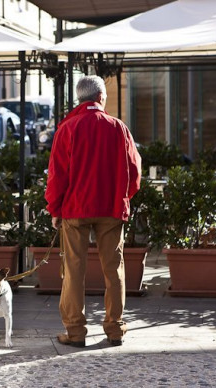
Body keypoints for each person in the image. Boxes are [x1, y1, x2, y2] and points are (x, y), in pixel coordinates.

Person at [45, 75, 142, 348]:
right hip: (111, 209)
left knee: (74, 270)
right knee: (114, 270)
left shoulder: (67, 128)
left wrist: (55, 208)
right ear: (101, 97)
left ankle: (75, 333)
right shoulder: (118, 127)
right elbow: (135, 172)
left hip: (75, 208)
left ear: (79, 98)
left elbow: (57, 175)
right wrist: (122, 197)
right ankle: (115, 330)